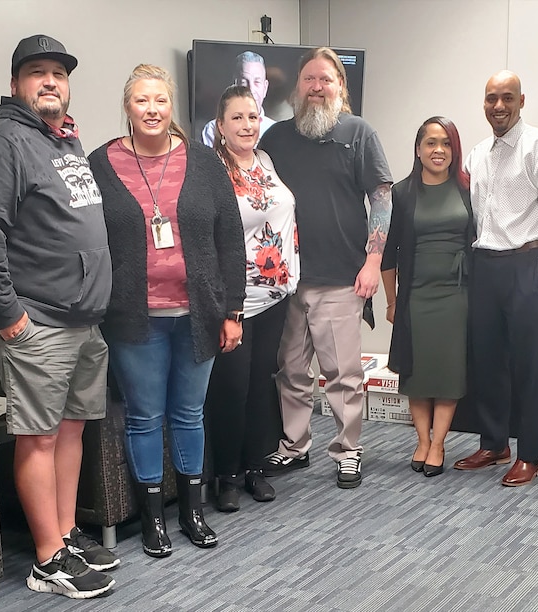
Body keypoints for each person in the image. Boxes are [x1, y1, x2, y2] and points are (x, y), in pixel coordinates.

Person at [0, 34, 119, 600]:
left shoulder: (63, 140)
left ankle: (66, 533)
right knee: (40, 437)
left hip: (80, 318)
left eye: (59, 73)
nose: (51, 82)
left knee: (72, 430)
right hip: (35, 322)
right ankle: (47, 559)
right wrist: (9, 319)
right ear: (15, 84)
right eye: (37, 73)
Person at [87, 64, 246, 556]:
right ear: (127, 108)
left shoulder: (203, 162)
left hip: (198, 314)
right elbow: (87, 239)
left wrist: (232, 311)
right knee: (143, 417)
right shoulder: (100, 163)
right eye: (142, 101)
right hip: (134, 318)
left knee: (189, 414)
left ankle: (192, 512)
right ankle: (154, 518)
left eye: (160, 100)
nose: (152, 110)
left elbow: (230, 240)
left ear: (170, 106)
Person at [259, 47, 393, 489]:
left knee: (343, 375)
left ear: (340, 87)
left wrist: (373, 261)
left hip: (340, 275)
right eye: (309, 80)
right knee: (291, 370)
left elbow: (381, 198)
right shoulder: (275, 138)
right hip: (285, 280)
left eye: (326, 79)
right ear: (297, 87)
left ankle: (348, 449)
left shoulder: (358, 133)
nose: (317, 87)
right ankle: (294, 446)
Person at [454, 70, 538, 487]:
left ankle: (530, 453)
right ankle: (494, 444)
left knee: (529, 365)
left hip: (528, 265)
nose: (499, 106)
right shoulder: (476, 155)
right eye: (491, 98)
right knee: (488, 361)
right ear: (484, 103)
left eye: (507, 98)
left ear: (521, 101)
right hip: (485, 267)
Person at [204, 85, 299, 511]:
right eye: (237, 118)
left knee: (262, 385)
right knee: (231, 389)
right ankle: (226, 476)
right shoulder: (210, 170)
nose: (247, 125)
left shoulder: (266, 161)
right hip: (234, 301)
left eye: (253, 117)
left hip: (274, 296)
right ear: (220, 126)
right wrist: (227, 305)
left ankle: (255, 469)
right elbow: (210, 239)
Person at [380, 116, 475, 478]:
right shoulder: (401, 193)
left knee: (449, 372)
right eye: (431, 143)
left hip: (457, 295)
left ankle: (438, 443)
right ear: (418, 150)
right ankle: (422, 440)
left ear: (454, 150)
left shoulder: (468, 188)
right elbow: (388, 254)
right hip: (416, 295)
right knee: (417, 373)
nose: (439, 150)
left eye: (446, 143)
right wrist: (391, 301)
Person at [202, 51, 277, 147]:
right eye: (244, 81)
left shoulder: (276, 130)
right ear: (235, 85)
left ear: (265, 88)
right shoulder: (212, 129)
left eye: (257, 82)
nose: (251, 89)